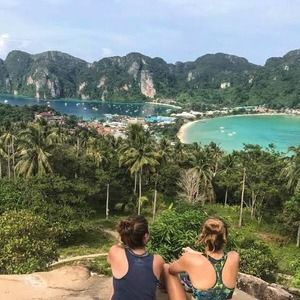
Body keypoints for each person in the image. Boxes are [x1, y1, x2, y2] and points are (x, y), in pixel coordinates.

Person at [163, 217, 240, 300]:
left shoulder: (190, 259)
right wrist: (195, 253)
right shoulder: (234, 257)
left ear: (203, 237)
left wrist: (189, 257)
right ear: (225, 238)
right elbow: (214, 260)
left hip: (184, 263)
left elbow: (171, 269)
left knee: (166, 267)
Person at [107, 215, 165, 300]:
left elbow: (109, 261)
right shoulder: (158, 260)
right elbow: (162, 283)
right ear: (146, 236)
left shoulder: (115, 251)